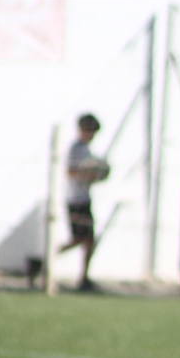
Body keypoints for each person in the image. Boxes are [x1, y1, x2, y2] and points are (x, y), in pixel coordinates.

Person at [60, 113, 109, 291]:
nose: (92, 135)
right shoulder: (75, 148)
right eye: (90, 131)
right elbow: (70, 172)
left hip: (84, 199)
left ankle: (84, 278)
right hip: (75, 200)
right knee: (79, 239)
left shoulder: (87, 150)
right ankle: (44, 261)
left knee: (88, 240)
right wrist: (89, 174)